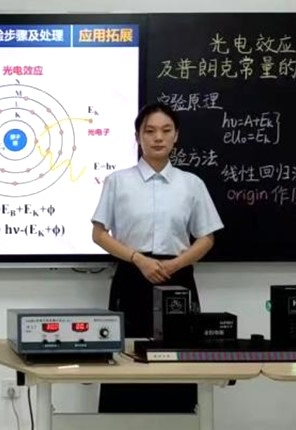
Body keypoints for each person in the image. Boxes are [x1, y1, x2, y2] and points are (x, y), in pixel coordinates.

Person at [91, 102, 223, 413]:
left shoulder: (191, 184)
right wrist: (139, 259)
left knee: (178, 360)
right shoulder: (117, 181)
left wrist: (177, 264)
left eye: (166, 130)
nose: (158, 138)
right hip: (132, 276)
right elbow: (99, 234)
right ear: (138, 137)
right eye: (149, 131)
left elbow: (207, 237)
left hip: (177, 279)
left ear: (176, 136)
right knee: (125, 360)